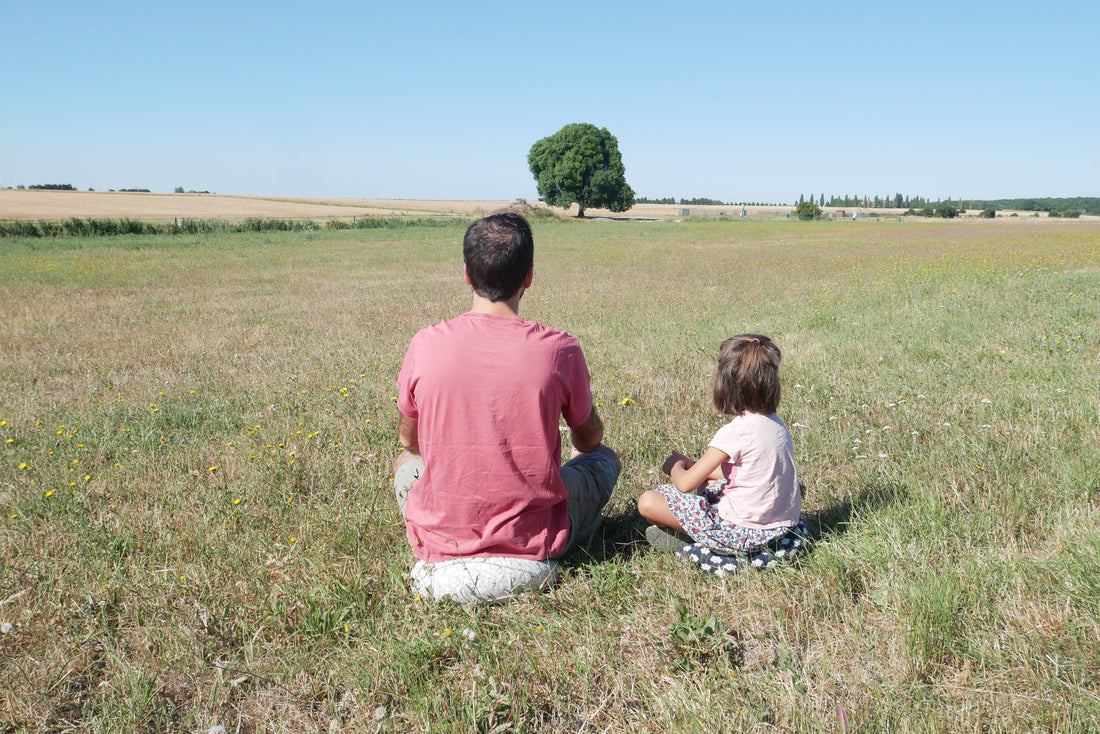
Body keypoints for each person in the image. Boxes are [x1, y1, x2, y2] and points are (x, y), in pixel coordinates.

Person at [393, 212, 620, 603]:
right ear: (528, 276)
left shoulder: (425, 343)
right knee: (603, 461)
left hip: (441, 541)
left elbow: (407, 440)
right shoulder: (560, 350)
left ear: (466, 274)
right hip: (534, 540)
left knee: (404, 465)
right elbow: (589, 436)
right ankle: (577, 528)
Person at [637, 334, 808, 575]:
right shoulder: (776, 423)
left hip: (741, 531)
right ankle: (702, 539)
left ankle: (705, 542)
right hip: (782, 529)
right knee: (709, 482)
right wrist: (697, 466)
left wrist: (675, 466)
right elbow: (744, 470)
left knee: (649, 501)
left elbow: (685, 484)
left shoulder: (734, 432)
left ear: (726, 384)